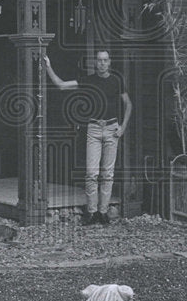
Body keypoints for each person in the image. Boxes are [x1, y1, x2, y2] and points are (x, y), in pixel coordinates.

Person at [44, 50, 132, 225]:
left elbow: (128, 104)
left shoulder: (116, 80)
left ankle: (103, 212)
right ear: (95, 63)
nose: (102, 63)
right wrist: (48, 66)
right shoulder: (88, 80)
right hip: (93, 128)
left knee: (108, 174)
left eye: (105, 60)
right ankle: (91, 213)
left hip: (112, 128)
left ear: (109, 62)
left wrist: (123, 127)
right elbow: (61, 85)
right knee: (92, 173)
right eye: (99, 60)